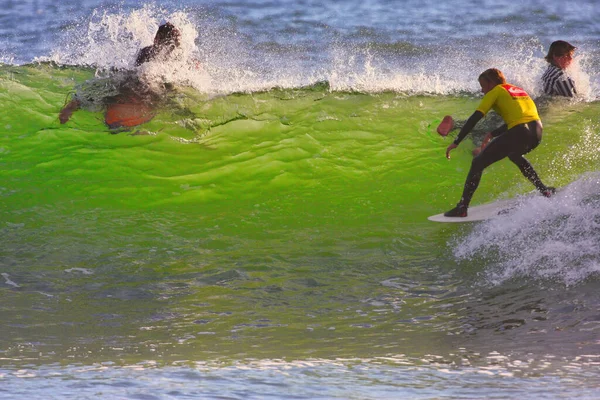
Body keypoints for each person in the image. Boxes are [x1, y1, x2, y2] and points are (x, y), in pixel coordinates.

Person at [443, 68, 554, 218]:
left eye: (483, 86)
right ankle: (544, 190)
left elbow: (475, 117)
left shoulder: (496, 90)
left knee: (477, 163)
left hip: (520, 132)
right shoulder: (517, 90)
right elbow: (522, 117)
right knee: (514, 155)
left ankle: (462, 208)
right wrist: (492, 133)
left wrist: (456, 141)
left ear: (491, 83)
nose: (482, 91)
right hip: (537, 132)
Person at [59, 22, 182, 124]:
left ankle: (76, 103)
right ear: (157, 39)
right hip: (135, 81)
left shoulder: (172, 57)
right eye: (171, 42)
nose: (172, 46)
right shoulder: (148, 52)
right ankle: (75, 104)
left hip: (136, 82)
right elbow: (139, 73)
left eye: (174, 43)